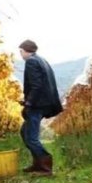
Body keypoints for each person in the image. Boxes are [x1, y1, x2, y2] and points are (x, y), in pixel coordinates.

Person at [18, 40, 62, 175]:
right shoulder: (42, 60)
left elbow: (36, 85)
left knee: (31, 137)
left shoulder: (31, 61)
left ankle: (45, 167)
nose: (20, 54)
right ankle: (37, 164)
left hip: (37, 105)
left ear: (26, 50)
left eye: (20, 51)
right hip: (43, 103)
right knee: (25, 132)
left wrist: (29, 103)